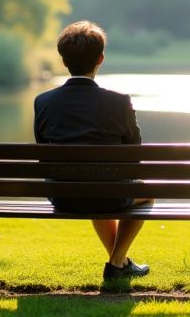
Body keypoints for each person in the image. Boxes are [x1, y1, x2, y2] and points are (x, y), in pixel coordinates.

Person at [33, 20, 153, 279]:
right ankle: (117, 262)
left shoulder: (43, 102)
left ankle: (119, 263)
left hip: (63, 196)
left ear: (64, 62)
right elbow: (135, 153)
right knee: (145, 191)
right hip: (108, 194)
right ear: (100, 59)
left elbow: (43, 152)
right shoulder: (119, 102)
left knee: (94, 185)